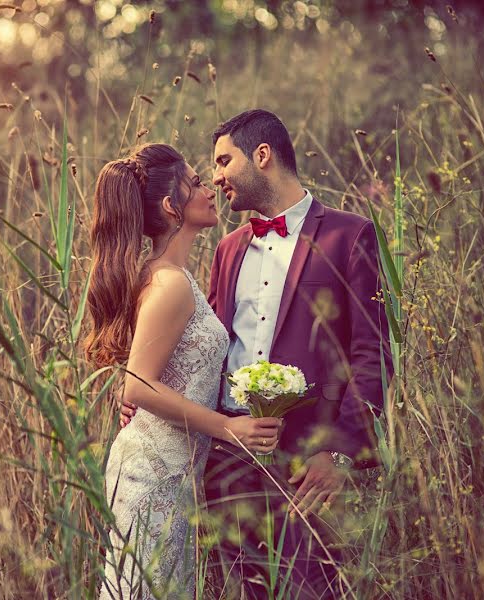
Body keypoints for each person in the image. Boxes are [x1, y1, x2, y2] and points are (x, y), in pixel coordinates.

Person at [121, 111, 393, 598]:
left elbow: (371, 354)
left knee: (313, 589)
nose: (217, 176)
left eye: (224, 161)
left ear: (262, 156)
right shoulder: (227, 248)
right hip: (229, 459)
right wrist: (144, 393)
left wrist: (338, 453)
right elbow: (208, 345)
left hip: (309, 464)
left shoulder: (349, 236)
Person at [84, 143, 284, 599]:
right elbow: (137, 383)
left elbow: (154, 375)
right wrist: (230, 429)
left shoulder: (169, 276)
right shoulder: (169, 283)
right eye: (195, 182)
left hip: (171, 472)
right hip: (153, 474)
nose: (209, 187)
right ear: (172, 206)